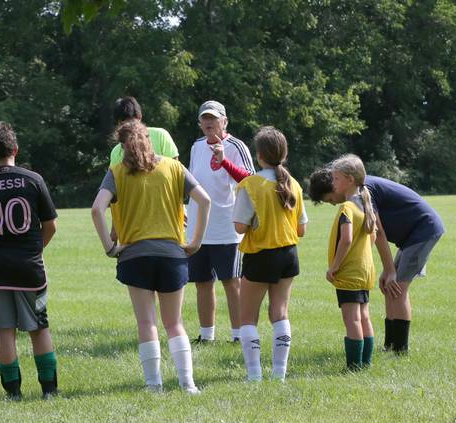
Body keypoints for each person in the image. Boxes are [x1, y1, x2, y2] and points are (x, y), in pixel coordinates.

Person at [91, 120, 211, 394]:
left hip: (135, 256)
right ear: (148, 139)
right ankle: (187, 383)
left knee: (147, 323)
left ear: (122, 146)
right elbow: (204, 201)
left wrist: (109, 248)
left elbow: (97, 210)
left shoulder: (117, 172)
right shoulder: (173, 167)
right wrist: (195, 242)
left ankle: (153, 385)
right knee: (174, 323)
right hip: (172, 254)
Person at [0, 122, 59, 400]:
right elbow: (51, 224)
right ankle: (49, 390)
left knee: (3, 331)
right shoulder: (33, 180)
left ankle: (13, 392)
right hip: (29, 267)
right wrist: (35, 250)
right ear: (15, 149)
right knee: (38, 328)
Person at [308, 166, 445, 355]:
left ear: (338, 184)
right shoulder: (357, 190)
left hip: (423, 229)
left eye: (330, 199)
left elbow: (377, 232)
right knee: (390, 288)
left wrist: (390, 270)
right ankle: (389, 345)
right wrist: (387, 270)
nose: (333, 203)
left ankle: (400, 350)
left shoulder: (364, 190)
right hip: (411, 235)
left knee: (398, 288)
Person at [232, 126, 307, 382]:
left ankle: (254, 375)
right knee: (280, 312)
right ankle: (279, 374)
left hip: (261, 254)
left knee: (247, 316)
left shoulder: (250, 185)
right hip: (288, 254)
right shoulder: (293, 184)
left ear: (259, 155)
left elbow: (240, 227)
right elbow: (301, 228)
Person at [187, 100, 255, 345]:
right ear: (199, 123)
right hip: (198, 227)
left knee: (232, 282)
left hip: (227, 226)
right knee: (202, 283)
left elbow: (251, 181)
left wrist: (224, 161)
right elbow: (192, 182)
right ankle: (206, 336)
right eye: (205, 119)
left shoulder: (236, 146)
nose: (209, 123)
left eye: (214, 119)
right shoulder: (196, 147)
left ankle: (238, 336)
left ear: (224, 121)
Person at [324, 155, 377, 370]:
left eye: (336, 179)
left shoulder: (347, 207)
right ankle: (365, 363)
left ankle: (354, 366)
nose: (334, 184)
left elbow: (345, 240)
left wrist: (334, 267)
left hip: (349, 273)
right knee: (364, 316)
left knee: (352, 318)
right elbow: (372, 237)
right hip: (365, 271)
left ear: (349, 180)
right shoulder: (365, 205)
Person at [108, 97, 179, 166]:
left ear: (139, 117)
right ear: (118, 124)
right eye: (124, 123)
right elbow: (115, 176)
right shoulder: (116, 152)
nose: (129, 126)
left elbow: (175, 168)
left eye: (131, 121)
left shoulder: (161, 136)